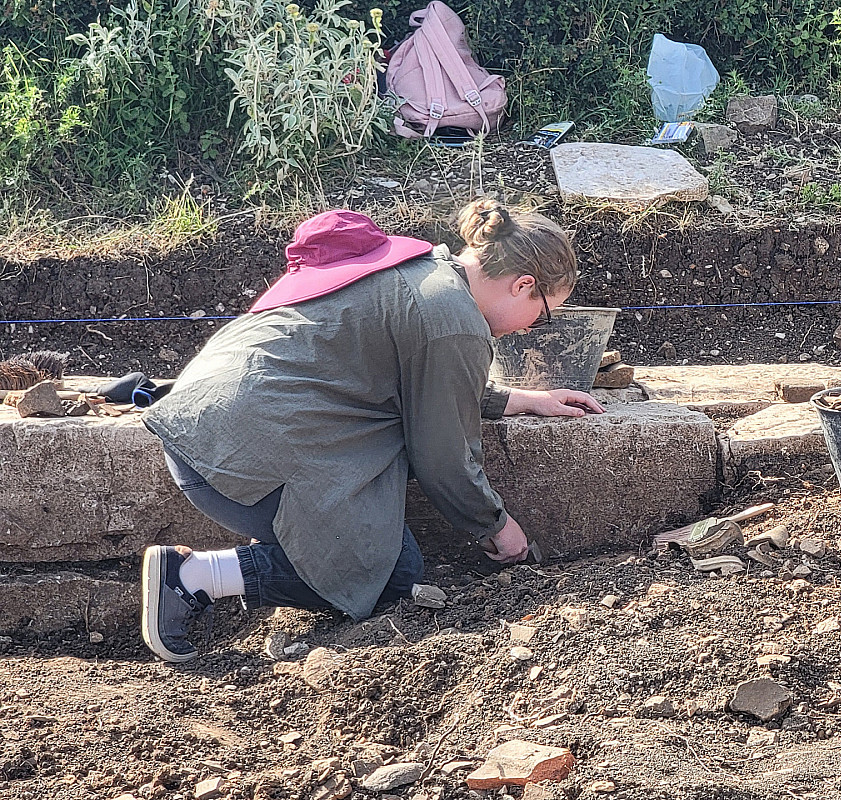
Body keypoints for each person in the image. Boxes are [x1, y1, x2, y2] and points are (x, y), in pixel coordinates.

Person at [139, 200, 603, 663]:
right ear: (524, 285)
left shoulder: (419, 267)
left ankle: (247, 561)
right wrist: (496, 525)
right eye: (542, 315)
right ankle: (193, 576)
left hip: (205, 428)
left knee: (382, 558)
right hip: (242, 459)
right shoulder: (455, 323)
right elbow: (443, 458)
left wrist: (520, 400)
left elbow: (415, 378)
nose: (530, 330)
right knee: (390, 575)